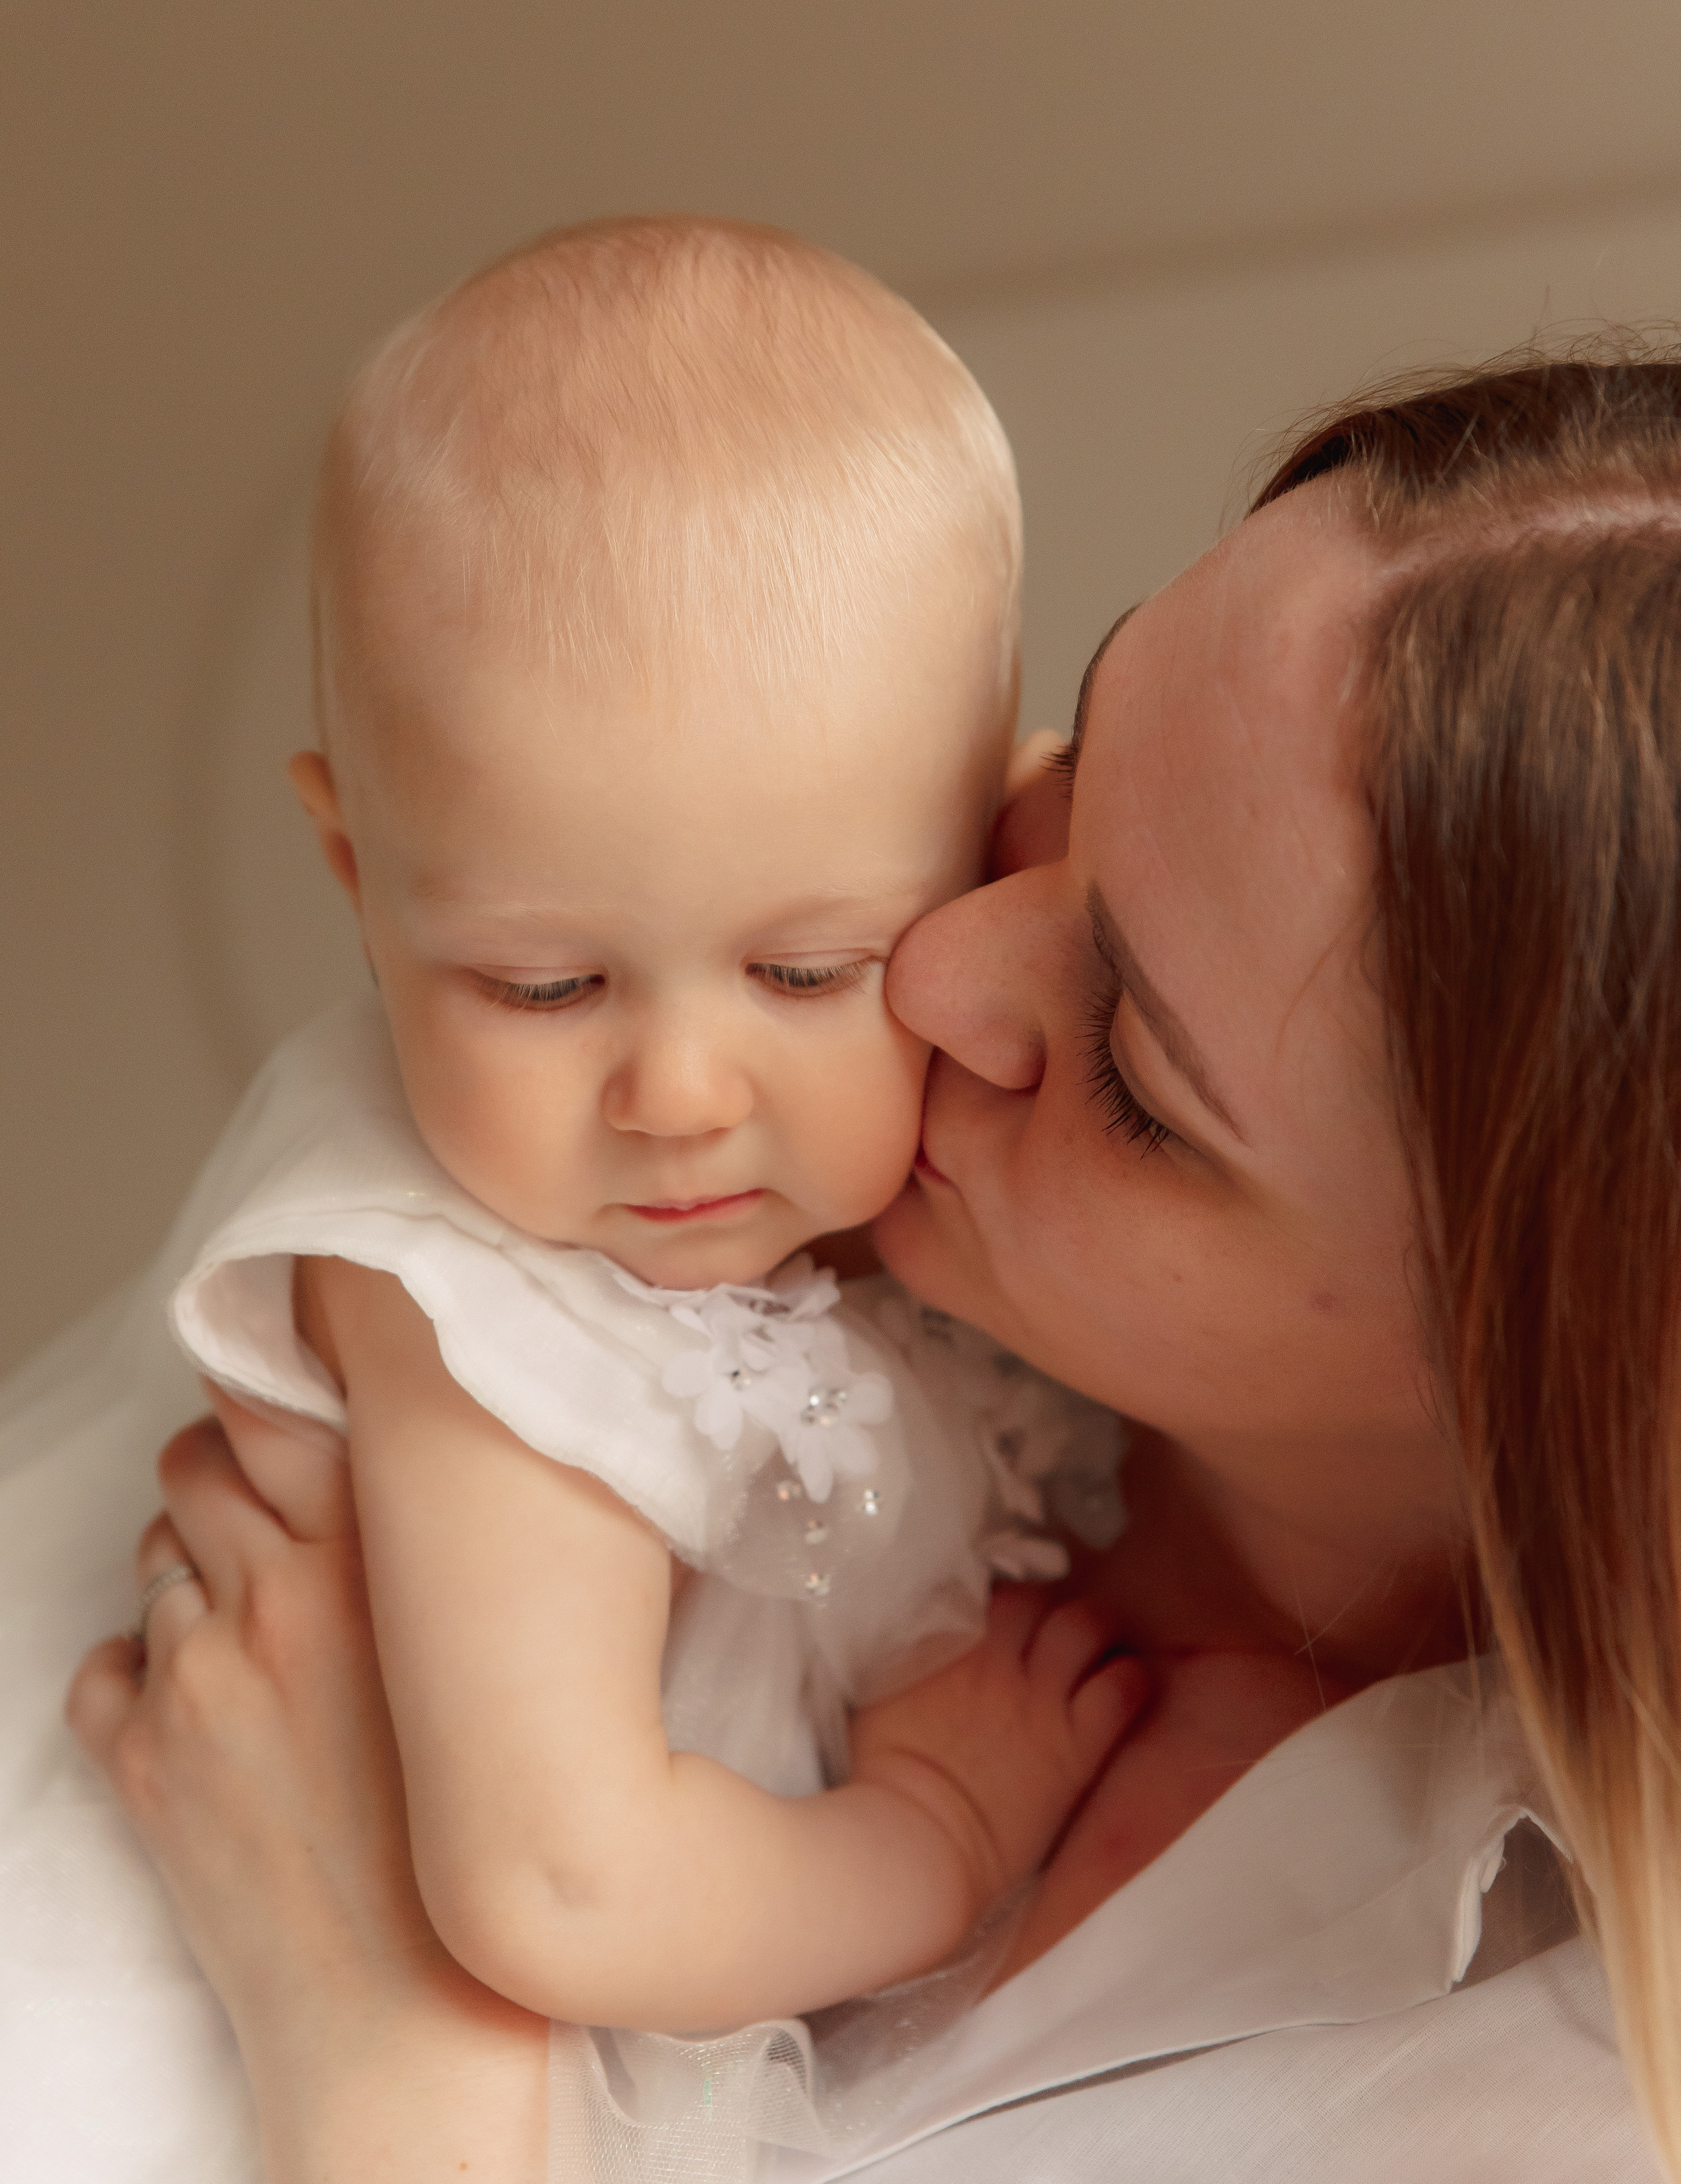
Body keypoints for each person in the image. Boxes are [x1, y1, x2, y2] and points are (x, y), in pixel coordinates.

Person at [68, 349, 1681, 2181]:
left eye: (1140, 1082)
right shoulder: (629, 1197)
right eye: (1069, 769)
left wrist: (385, 2057)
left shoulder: (1558, 2095)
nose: (931, 974)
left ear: (1559, 1383)